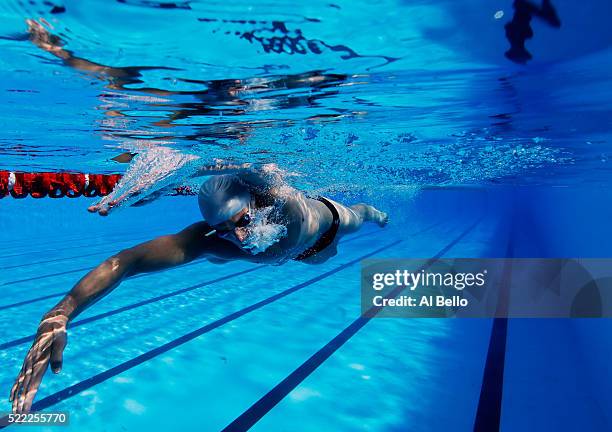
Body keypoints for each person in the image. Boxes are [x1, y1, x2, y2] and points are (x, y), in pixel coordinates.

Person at [9, 162, 388, 413]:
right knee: (213, 250)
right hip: (298, 257)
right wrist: (59, 314)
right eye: (224, 229)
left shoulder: (284, 204)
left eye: (241, 221)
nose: (238, 237)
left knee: (362, 215)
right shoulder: (211, 238)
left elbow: (249, 168)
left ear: (259, 202)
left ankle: (377, 213)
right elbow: (126, 261)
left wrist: (185, 165)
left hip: (328, 228)